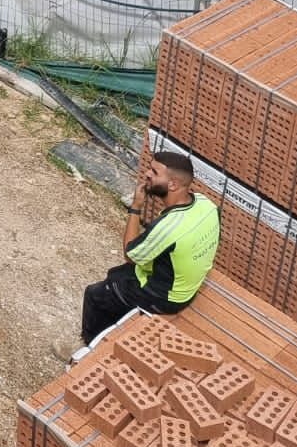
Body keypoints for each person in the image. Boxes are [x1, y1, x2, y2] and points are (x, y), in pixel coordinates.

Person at [80, 148, 220, 345]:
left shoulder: (168, 228)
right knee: (117, 274)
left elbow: (130, 254)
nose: (147, 174)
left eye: (154, 172)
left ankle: (89, 348)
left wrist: (136, 206)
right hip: (188, 286)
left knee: (96, 294)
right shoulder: (208, 206)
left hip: (165, 298)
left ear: (173, 184)